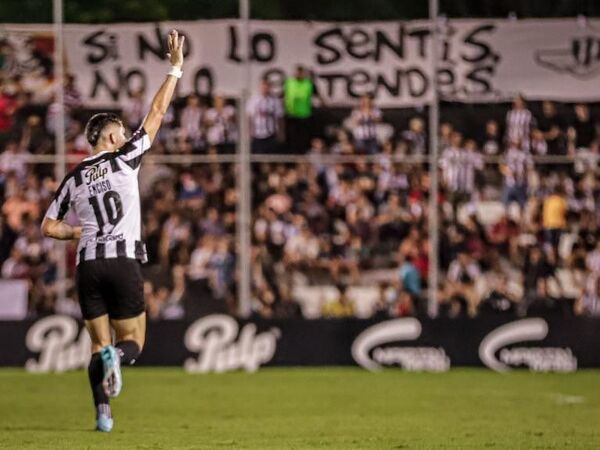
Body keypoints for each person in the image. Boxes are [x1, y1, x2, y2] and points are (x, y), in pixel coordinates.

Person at [40, 29, 185, 433]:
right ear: (109, 137)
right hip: (121, 260)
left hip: (87, 265)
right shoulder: (124, 158)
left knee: (97, 344)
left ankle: (103, 414)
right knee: (133, 341)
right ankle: (117, 362)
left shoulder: (75, 175)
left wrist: (77, 233)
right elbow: (156, 114)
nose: (125, 133)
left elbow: (47, 226)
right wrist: (174, 68)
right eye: (120, 129)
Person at [284, 65, 318, 154]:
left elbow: (317, 96)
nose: (298, 74)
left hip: (304, 116)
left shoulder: (308, 84)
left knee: (303, 140)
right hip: (292, 116)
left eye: (300, 72)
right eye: (297, 72)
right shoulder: (289, 83)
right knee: (292, 141)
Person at [247, 78, 284, 154]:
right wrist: (249, 132)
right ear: (260, 87)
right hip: (256, 134)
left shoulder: (275, 101)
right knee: (257, 157)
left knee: (271, 157)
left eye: (267, 87)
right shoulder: (253, 100)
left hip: (270, 133)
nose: (265, 89)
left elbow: (279, 118)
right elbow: (249, 117)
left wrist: (281, 133)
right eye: (263, 86)